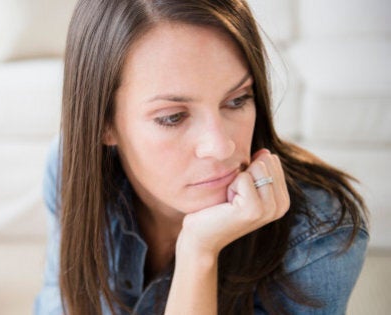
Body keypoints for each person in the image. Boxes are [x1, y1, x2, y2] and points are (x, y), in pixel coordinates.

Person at [34, 0, 368, 314]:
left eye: (237, 100)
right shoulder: (72, 168)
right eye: (172, 117)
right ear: (104, 123)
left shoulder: (318, 238)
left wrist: (198, 253)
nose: (221, 146)